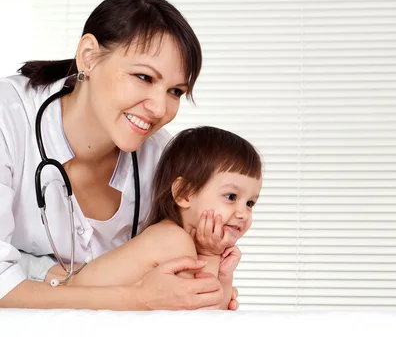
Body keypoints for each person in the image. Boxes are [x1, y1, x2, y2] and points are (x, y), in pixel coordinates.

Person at [0, 0, 239, 310]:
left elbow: (187, 270)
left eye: (175, 91)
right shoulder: (8, 117)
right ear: (89, 56)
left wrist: (211, 279)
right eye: (143, 77)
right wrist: (135, 297)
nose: (158, 108)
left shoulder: (162, 156)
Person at [45, 126, 262, 310]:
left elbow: (216, 316)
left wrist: (223, 276)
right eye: (231, 197)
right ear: (185, 193)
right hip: (54, 298)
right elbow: (201, 316)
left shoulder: (189, 243)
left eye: (250, 203)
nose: (243, 213)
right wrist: (211, 256)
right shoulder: (172, 240)